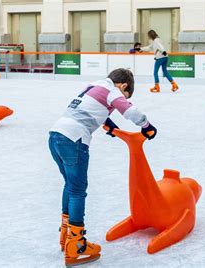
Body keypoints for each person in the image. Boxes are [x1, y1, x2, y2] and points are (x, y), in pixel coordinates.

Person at [49, 68, 157, 266]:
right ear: (123, 86)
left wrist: (111, 126)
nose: (122, 98)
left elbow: (94, 110)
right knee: (78, 191)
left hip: (55, 135)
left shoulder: (93, 86)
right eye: (125, 93)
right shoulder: (113, 92)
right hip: (74, 139)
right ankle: (77, 244)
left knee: (70, 186)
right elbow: (130, 111)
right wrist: (147, 126)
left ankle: (66, 234)